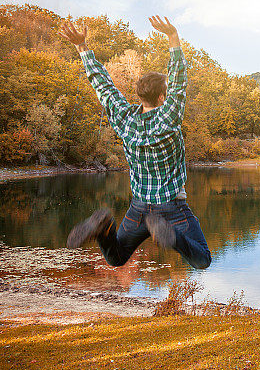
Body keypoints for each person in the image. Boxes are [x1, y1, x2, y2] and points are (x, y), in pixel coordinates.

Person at [61, 16, 211, 269]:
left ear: (141, 95)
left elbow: (104, 86)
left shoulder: (124, 120)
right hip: (171, 208)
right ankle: (172, 239)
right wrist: (173, 37)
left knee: (116, 258)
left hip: (139, 208)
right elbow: (179, 82)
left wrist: (82, 47)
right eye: (168, 93)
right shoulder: (168, 117)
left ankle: (103, 229)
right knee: (202, 259)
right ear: (162, 97)